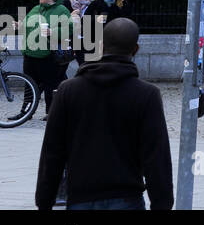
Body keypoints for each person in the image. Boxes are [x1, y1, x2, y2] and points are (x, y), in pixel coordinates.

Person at [35, 18, 173, 210]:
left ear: (100, 45)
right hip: (127, 197)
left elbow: (53, 151)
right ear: (135, 49)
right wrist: (162, 204)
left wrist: (44, 200)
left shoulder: (69, 90)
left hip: (80, 197)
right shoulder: (146, 94)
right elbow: (156, 155)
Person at [22, 0, 73, 119]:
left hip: (47, 54)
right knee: (29, 84)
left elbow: (70, 29)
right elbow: (26, 23)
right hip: (30, 52)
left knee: (50, 85)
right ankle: (26, 112)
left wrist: (53, 31)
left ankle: (51, 113)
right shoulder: (36, 8)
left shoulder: (61, 9)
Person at [63, 0, 94, 65]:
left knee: (87, 64)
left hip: (87, 39)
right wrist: (71, 15)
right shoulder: (67, 2)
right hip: (73, 39)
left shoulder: (91, 4)